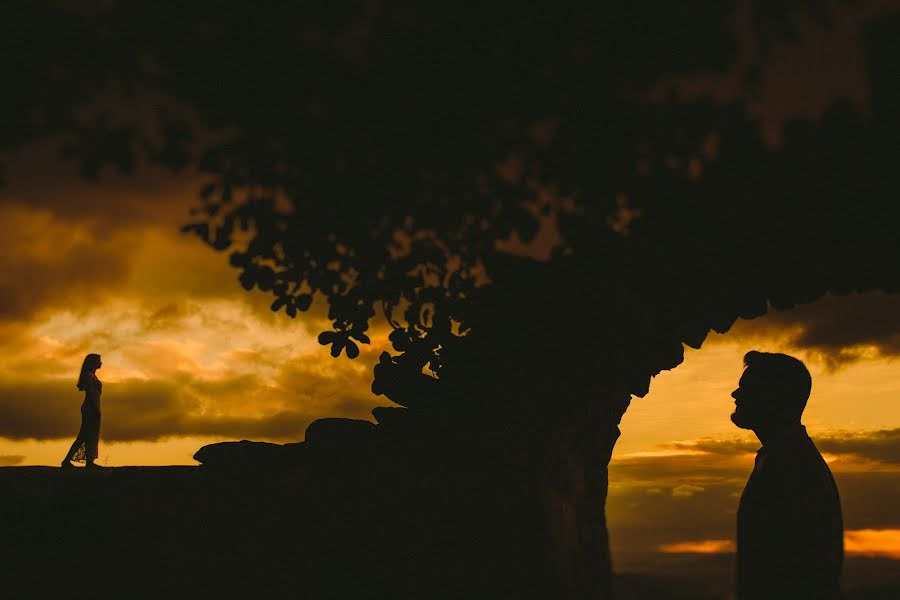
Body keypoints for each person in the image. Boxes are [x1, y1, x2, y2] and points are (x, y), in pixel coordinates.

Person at [731, 351, 843, 599]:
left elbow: (796, 570)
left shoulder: (792, 468)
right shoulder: (784, 458)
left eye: (746, 388)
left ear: (774, 398)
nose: (735, 395)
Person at [62, 353, 104, 469]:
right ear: (92, 362)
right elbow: (91, 394)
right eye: (99, 360)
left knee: (89, 435)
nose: (101, 363)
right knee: (85, 435)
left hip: (92, 407)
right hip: (90, 408)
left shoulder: (91, 376)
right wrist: (96, 409)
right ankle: (68, 461)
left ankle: (89, 461)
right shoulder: (88, 376)